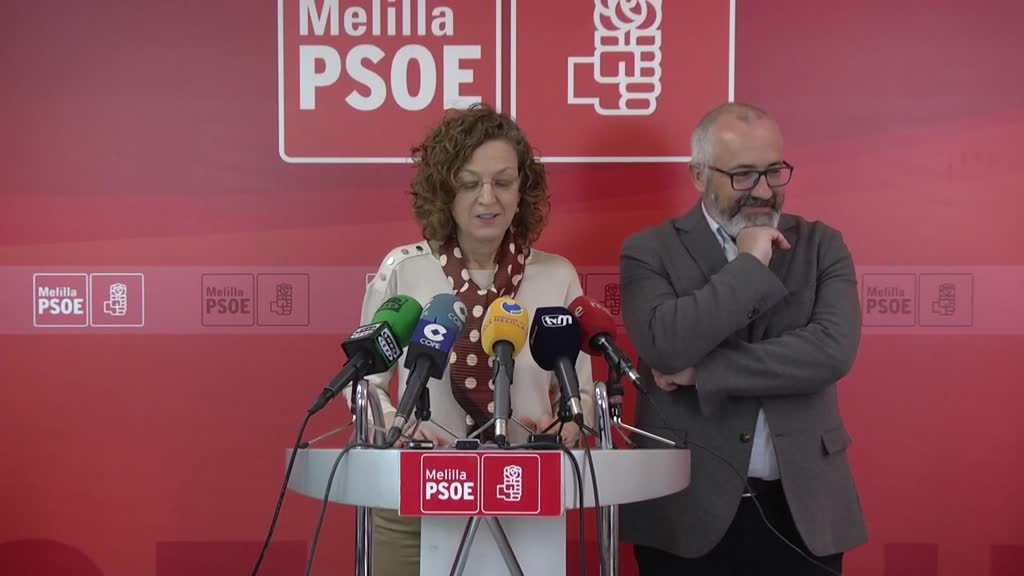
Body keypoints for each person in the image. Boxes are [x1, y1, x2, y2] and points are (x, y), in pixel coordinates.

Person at [617, 102, 867, 575]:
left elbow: (831, 352)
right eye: (744, 175)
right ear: (699, 175)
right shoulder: (649, 250)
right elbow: (666, 345)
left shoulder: (822, 245)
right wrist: (750, 265)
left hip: (804, 511)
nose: (764, 191)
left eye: (774, 171)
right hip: (685, 513)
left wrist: (704, 371)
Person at [357, 103, 595, 575]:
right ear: (444, 191)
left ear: (522, 190)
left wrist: (570, 425)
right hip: (417, 499)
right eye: (469, 184)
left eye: (503, 182)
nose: (488, 198)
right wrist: (394, 426)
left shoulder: (557, 276)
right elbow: (364, 384)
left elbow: (581, 395)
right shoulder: (404, 270)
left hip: (525, 495)